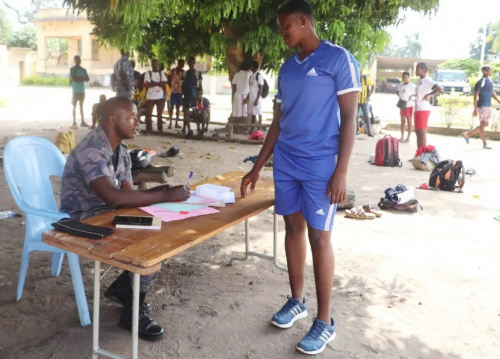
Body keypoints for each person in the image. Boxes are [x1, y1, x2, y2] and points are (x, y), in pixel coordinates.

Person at [240, 0, 360, 355]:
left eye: (285, 26)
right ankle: (297, 301)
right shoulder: (287, 69)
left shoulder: (338, 59)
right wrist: (258, 165)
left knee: (319, 239)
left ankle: (324, 323)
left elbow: (350, 117)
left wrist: (341, 171)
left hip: (320, 163)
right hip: (287, 162)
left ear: (304, 22)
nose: (282, 33)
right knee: (292, 228)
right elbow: (278, 120)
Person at [60, 97, 190, 342]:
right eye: (131, 117)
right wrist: (161, 195)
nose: (137, 122)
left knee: (163, 230)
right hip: (83, 218)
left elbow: (128, 195)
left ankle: (124, 289)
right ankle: (131, 312)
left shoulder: (121, 151)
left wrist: (160, 195)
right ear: (112, 120)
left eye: (137, 117)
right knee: (148, 243)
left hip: (106, 211)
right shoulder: (92, 150)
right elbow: (115, 198)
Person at [463, 65, 500, 149]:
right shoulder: (481, 82)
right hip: (482, 105)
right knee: (482, 124)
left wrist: (498, 101)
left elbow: (491, 93)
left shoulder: (489, 81)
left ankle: (468, 134)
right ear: (485, 72)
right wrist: (475, 108)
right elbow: (475, 95)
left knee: (485, 124)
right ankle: (484, 144)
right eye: (490, 70)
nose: (491, 71)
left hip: (488, 105)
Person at [411, 62, 442, 149]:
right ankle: (419, 154)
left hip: (423, 109)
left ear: (423, 70)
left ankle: (423, 154)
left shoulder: (427, 80)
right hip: (417, 109)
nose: (416, 71)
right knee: (417, 132)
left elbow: (439, 88)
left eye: (417, 69)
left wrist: (429, 95)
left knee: (422, 132)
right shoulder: (419, 80)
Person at [144, 59, 168, 133]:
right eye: (152, 63)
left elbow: (164, 83)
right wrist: (158, 83)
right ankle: (149, 129)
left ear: (157, 64)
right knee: (149, 114)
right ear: (151, 64)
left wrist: (153, 82)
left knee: (159, 114)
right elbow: (148, 85)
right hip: (150, 96)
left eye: (155, 63)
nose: (154, 65)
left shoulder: (161, 73)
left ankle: (160, 129)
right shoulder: (148, 73)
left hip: (160, 96)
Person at [182, 57, 203, 134]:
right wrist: (182, 95)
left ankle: (198, 129)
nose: (191, 64)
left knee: (197, 112)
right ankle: (185, 128)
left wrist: (200, 95)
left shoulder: (198, 73)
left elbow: (200, 85)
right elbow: (182, 85)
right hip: (187, 95)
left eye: (192, 62)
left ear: (194, 63)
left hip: (195, 96)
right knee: (186, 111)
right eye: (189, 62)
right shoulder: (185, 73)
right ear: (188, 63)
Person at [69, 55, 90, 128]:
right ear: (74, 61)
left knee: (81, 106)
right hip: (75, 90)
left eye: (79, 60)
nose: (78, 61)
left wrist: (79, 78)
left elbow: (87, 79)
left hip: (81, 90)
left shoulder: (83, 70)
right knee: (74, 106)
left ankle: (82, 121)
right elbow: (74, 79)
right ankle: (74, 121)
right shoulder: (72, 69)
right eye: (76, 60)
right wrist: (82, 78)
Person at [397, 71, 416, 143]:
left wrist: (412, 97)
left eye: (405, 77)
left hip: (409, 105)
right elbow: (398, 91)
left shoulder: (412, 86)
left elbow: (417, 93)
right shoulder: (401, 85)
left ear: (408, 77)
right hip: (402, 104)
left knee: (409, 122)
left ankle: (408, 138)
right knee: (402, 121)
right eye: (403, 77)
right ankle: (402, 137)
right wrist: (400, 97)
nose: (403, 78)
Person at [231, 63, 251, 133]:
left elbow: (233, 85)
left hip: (237, 94)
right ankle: (241, 129)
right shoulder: (249, 75)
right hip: (244, 95)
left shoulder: (236, 74)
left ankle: (236, 128)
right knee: (243, 114)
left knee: (236, 113)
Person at [247, 60, 264, 133]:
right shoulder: (251, 76)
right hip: (251, 98)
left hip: (256, 98)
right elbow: (250, 88)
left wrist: (257, 99)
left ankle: (259, 129)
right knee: (253, 114)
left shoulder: (258, 76)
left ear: (254, 67)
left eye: (251, 66)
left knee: (259, 113)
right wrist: (247, 98)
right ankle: (252, 129)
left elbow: (260, 88)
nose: (250, 68)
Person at [168, 59, 184, 130]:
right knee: (171, 107)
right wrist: (170, 86)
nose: (182, 65)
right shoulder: (172, 71)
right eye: (181, 64)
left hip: (179, 92)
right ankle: (170, 123)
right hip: (173, 91)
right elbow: (168, 78)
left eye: (183, 64)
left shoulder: (183, 72)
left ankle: (176, 123)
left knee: (178, 108)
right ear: (178, 63)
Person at [357, 72, 374, 136]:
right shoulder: (355, 79)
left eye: (360, 73)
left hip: (364, 101)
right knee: (356, 116)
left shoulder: (366, 79)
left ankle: (369, 132)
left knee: (366, 116)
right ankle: (357, 130)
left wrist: (368, 96)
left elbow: (373, 86)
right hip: (356, 101)